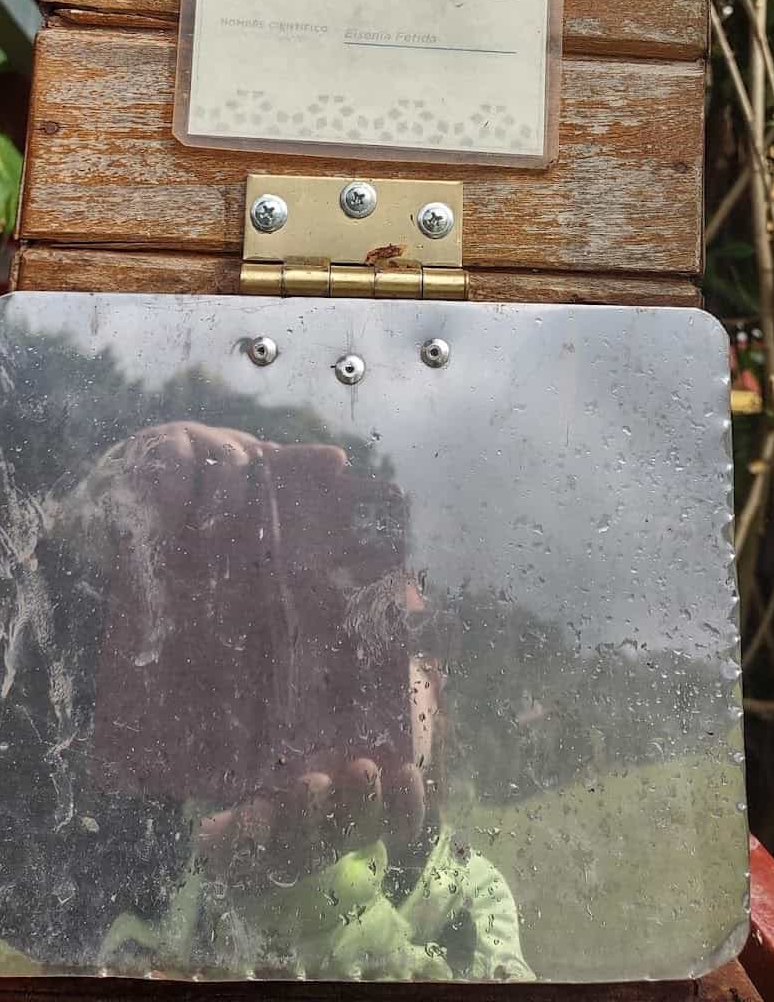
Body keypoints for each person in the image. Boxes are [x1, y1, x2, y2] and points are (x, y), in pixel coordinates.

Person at [84, 420, 534, 980]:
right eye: (308, 643)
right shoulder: (177, 864)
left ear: (437, 685)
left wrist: (326, 918)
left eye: (390, 642)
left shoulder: (467, 891)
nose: (335, 684)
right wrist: (116, 511)